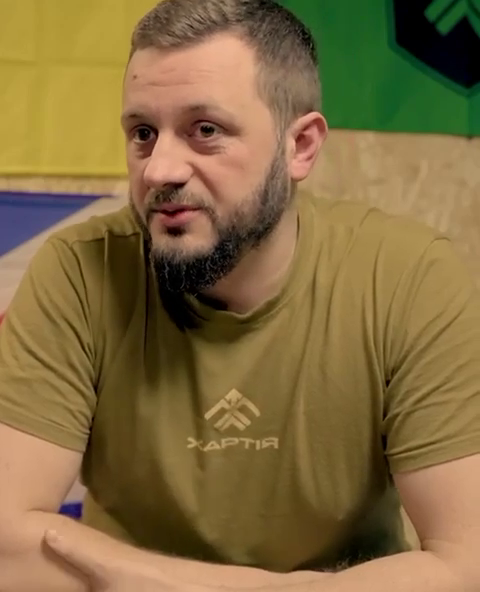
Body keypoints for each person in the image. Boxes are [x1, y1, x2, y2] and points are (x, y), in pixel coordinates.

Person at [0, 0, 480, 590]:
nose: (159, 170)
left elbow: (466, 564)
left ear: (300, 146)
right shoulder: (78, 271)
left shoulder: (408, 278)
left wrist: (146, 580)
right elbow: (6, 548)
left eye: (205, 130)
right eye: (143, 133)